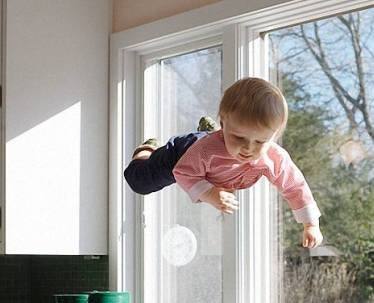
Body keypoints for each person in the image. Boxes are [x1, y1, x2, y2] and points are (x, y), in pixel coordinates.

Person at [124, 77, 323, 248]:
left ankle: (211, 131)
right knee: (140, 182)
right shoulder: (205, 150)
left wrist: (310, 224)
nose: (248, 148)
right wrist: (209, 193)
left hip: (216, 154)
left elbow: (294, 186)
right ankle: (147, 150)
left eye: (260, 141)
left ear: (274, 137)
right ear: (224, 123)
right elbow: (184, 172)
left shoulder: (274, 156)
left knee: (224, 143)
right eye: (239, 138)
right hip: (182, 155)